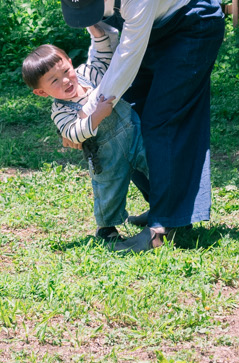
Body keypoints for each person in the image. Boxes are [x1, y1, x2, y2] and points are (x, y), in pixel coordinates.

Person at [51, 0, 223, 251]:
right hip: (152, 26)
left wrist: (89, 110)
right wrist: (91, 112)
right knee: (131, 117)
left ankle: (164, 227)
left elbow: (127, 59)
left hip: (191, 26)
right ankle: (165, 202)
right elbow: (105, 42)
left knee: (163, 119)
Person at [22, 43, 151, 240]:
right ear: (42, 92)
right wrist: (97, 115)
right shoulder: (60, 111)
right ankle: (107, 230)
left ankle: (164, 208)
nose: (65, 80)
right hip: (106, 154)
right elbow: (72, 133)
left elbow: (102, 58)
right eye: (54, 81)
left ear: (71, 63)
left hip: (134, 135)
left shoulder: (86, 75)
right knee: (109, 189)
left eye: (66, 71)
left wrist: (96, 31)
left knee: (157, 167)